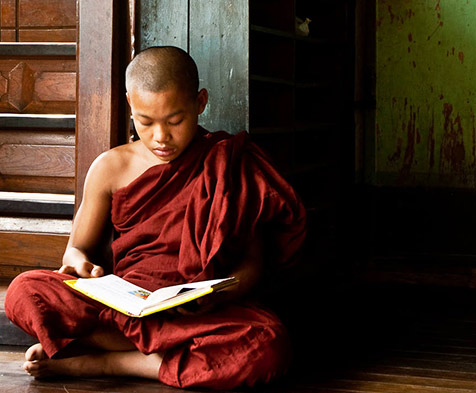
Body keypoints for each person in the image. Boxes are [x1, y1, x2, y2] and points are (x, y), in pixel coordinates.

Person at [3, 46, 306, 390]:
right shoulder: (111, 166)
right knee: (24, 291)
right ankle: (160, 358)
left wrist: (217, 297)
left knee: (268, 344)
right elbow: (76, 250)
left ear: (200, 102)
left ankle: (104, 362)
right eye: (146, 122)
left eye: (175, 121)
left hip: (195, 313)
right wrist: (85, 268)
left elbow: (252, 264)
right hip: (125, 308)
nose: (161, 137)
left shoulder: (227, 164)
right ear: (130, 104)